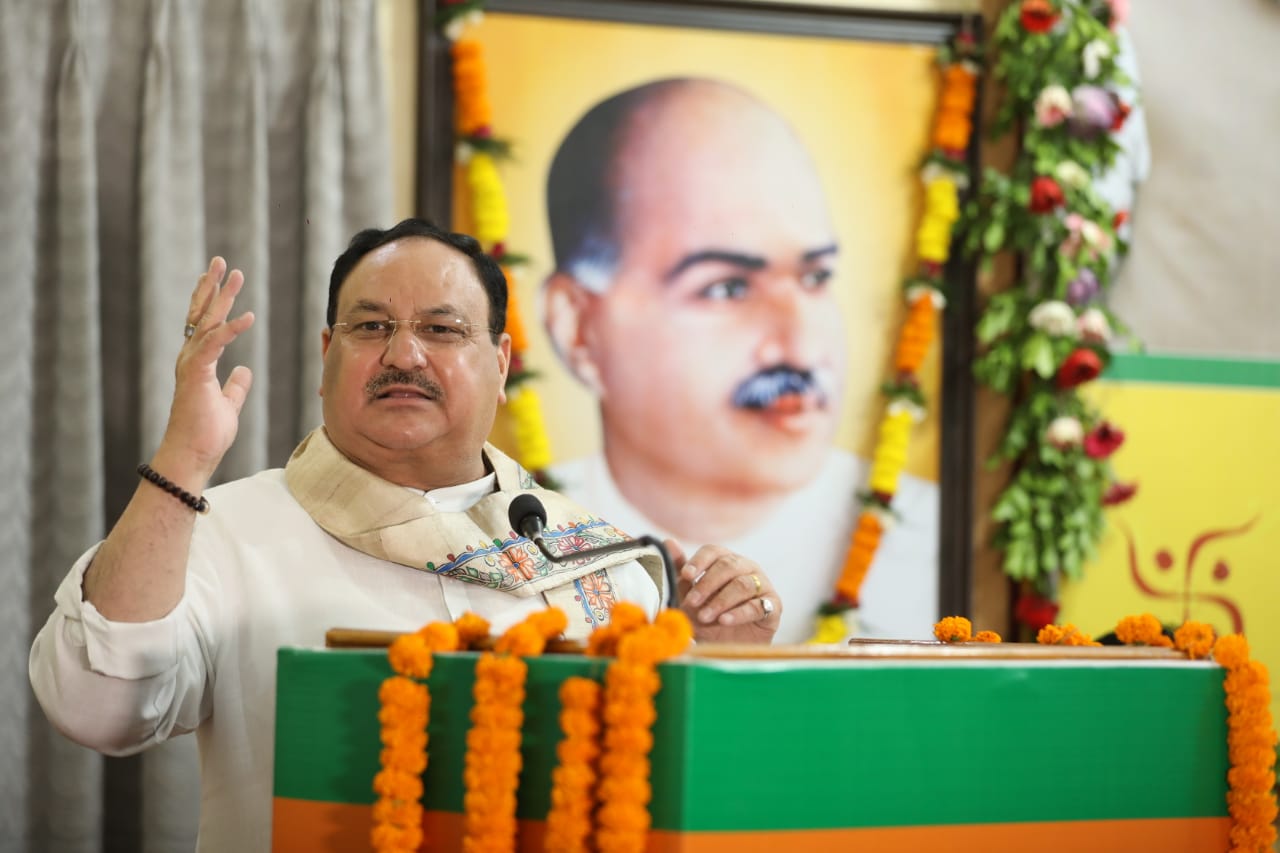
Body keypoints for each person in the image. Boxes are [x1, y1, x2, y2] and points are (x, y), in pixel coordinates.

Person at [28, 219, 780, 851]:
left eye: (442, 329)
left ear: (502, 362)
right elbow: (98, 708)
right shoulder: (220, 531)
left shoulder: (604, 555)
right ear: (327, 355)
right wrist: (183, 459)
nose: (403, 355)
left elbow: (674, 786)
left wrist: (724, 662)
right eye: (371, 326)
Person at [541, 78, 940, 643]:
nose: (800, 347)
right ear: (577, 326)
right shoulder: (513, 544)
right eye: (726, 288)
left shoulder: (925, 538)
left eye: (815, 277)